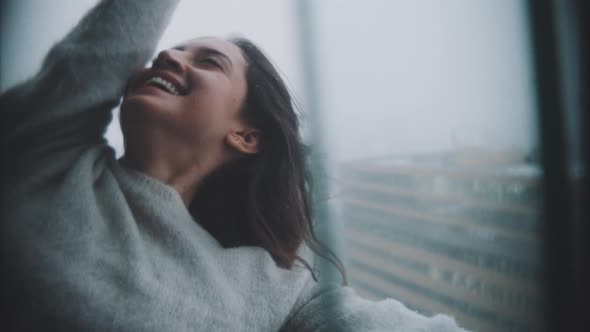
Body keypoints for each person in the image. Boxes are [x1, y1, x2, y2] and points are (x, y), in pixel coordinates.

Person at [1, 0, 467, 331]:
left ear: (246, 136)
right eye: (176, 48)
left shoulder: (268, 291)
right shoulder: (48, 155)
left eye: (209, 61)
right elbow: (110, 40)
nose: (167, 55)